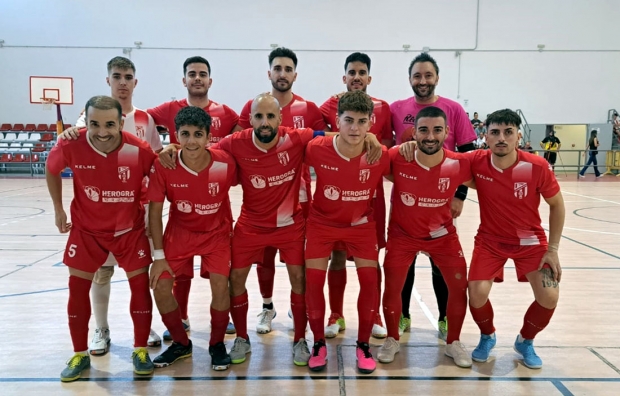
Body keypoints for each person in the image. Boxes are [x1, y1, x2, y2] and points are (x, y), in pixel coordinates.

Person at [157, 93, 381, 367]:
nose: (265, 122)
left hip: (290, 225)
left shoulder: (297, 138)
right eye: (259, 117)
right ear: (249, 120)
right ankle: (241, 337)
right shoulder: (234, 143)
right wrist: (173, 148)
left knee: (299, 279)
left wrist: (369, 137)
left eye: (270, 116)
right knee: (235, 280)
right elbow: (199, 150)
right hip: (251, 225)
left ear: (280, 119)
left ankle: (301, 339)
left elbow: (336, 134)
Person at [46, 96, 157, 381]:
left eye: (110, 124)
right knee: (77, 290)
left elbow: (159, 180)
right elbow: (51, 168)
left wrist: (151, 219)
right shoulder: (71, 143)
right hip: (86, 231)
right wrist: (58, 209)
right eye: (95, 124)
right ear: (86, 121)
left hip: (129, 232)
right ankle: (80, 354)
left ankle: (141, 349)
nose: (102, 131)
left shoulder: (139, 149)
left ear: (121, 122)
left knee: (140, 288)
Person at [60, 56, 162, 353]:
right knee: (101, 273)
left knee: (139, 277)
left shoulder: (145, 119)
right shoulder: (89, 116)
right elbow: (76, 143)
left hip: (136, 212)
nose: (122, 82)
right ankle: (101, 329)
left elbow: (154, 163)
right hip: (99, 213)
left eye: (127, 76)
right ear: (108, 80)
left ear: (135, 82)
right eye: (116, 76)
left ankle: (144, 328)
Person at [148, 56, 240, 339]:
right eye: (184, 135)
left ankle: (216, 342)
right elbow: (135, 117)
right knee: (165, 283)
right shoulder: (166, 161)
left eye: (198, 134)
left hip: (216, 231)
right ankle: (180, 334)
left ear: (209, 135)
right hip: (180, 231)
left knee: (221, 285)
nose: (191, 140)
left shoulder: (226, 155)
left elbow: (244, 137)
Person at [237, 47, 327, 333]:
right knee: (264, 259)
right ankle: (266, 306)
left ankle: (295, 305)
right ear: (269, 73)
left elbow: (325, 144)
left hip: (298, 198)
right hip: (261, 200)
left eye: (288, 69)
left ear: (295, 74)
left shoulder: (309, 109)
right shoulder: (254, 107)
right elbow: (238, 145)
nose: (282, 73)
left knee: (296, 262)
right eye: (278, 68)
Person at [467, 109, 565, 369]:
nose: (502, 138)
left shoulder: (537, 166)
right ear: (485, 137)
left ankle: (526, 341)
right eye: (495, 132)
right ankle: (487, 336)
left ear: (518, 136)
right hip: (490, 240)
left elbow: (557, 205)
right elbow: (443, 161)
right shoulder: (475, 161)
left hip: (530, 241)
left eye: (508, 132)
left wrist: (553, 249)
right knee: (476, 294)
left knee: (550, 296)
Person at [390, 52, 477, 339]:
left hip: (441, 200)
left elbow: (467, 154)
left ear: (437, 78)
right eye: (418, 76)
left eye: (428, 75)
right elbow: (391, 145)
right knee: (406, 264)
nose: (423, 81)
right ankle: (402, 315)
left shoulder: (453, 109)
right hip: (408, 199)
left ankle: (443, 318)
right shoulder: (397, 108)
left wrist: (460, 195)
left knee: (442, 265)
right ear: (410, 79)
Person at [379, 106, 472, 368]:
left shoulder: (460, 162)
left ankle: (453, 342)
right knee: (393, 287)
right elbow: (370, 155)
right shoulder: (397, 156)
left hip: (442, 236)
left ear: (447, 133)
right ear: (413, 132)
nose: (430, 136)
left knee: (458, 286)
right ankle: (392, 338)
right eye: (423, 130)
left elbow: (494, 169)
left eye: (437, 130)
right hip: (402, 235)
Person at [305, 91, 390, 374]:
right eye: (349, 120)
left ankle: (363, 344)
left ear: (371, 123)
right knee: (313, 282)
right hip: (321, 224)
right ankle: (317, 342)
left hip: (361, 225)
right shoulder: (316, 147)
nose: (355, 128)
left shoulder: (380, 155)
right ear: (337, 121)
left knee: (370, 281)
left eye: (362, 122)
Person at [319, 52, 391, 339]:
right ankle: (336, 313)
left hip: (370, 193)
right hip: (337, 196)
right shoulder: (332, 106)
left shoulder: (383, 107)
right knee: (336, 257)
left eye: (362, 73)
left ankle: (374, 314)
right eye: (352, 73)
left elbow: (390, 144)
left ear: (370, 78)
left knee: (371, 260)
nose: (357, 77)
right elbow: (319, 122)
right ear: (344, 77)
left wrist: (371, 136)